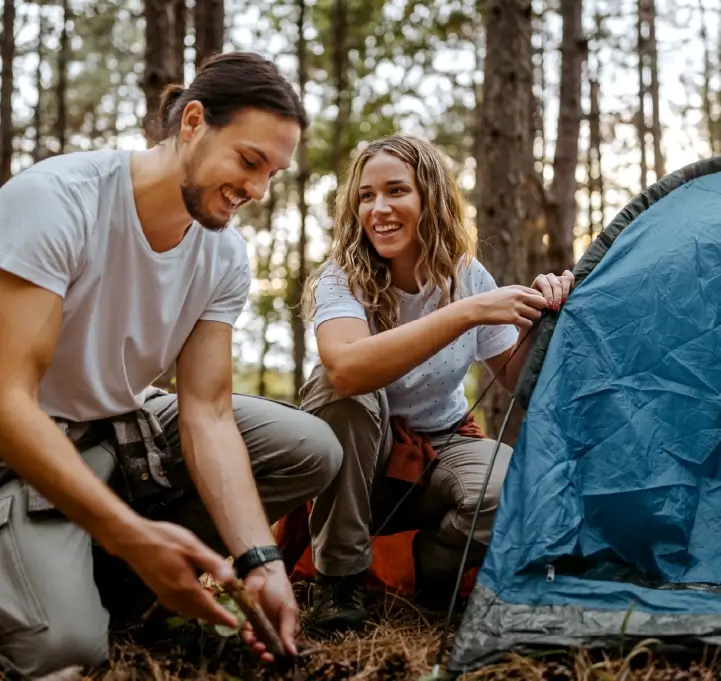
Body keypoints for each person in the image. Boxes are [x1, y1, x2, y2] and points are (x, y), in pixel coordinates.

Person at [0, 51, 343, 679]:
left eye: (274, 173)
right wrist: (135, 533)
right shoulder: (54, 201)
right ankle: (92, 563)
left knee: (308, 446)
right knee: (66, 652)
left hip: (121, 424)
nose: (258, 190)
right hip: (24, 445)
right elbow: (7, 403)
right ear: (191, 123)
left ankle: (131, 576)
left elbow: (208, 414)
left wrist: (260, 561)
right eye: (248, 161)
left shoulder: (224, 255)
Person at [297, 134, 574, 632]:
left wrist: (545, 318)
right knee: (342, 391)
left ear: (430, 197)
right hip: (360, 462)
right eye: (366, 195)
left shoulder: (467, 276)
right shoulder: (341, 279)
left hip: (444, 442)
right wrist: (467, 314)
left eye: (396, 191)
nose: (378, 208)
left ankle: (432, 570)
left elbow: (514, 378)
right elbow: (346, 369)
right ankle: (339, 584)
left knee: (518, 490)